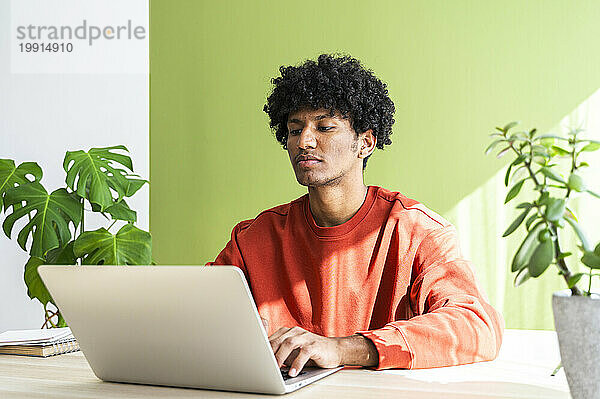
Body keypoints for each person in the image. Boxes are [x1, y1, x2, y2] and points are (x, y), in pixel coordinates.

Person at [207, 53, 504, 377]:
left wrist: (341, 348)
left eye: (324, 127)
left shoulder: (418, 232)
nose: (304, 141)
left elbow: (477, 325)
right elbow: (193, 311)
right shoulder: (254, 239)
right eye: (294, 130)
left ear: (365, 142)